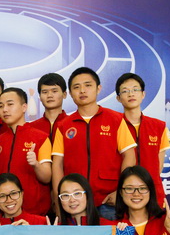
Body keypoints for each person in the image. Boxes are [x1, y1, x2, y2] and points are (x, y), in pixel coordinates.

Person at [51, 67, 137, 220]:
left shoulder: (116, 119)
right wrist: (59, 199)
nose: (82, 90)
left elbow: (129, 156)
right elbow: (57, 165)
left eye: (88, 85)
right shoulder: (63, 126)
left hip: (108, 200)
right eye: (76, 87)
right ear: (70, 94)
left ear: (98, 88)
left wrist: (121, 190)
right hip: (74, 202)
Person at [115, 73, 170, 206]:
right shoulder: (113, 126)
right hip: (123, 194)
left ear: (143, 94)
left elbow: (158, 167)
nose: (131, 94)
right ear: (118, 98)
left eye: (135, 89)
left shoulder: (159, 127)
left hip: (152, 193)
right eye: (125, 91)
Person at [0, 87, 52, 216]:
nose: (4, 110)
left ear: (24, 107)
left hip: (34, 213)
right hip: (2, 213)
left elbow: (47, 177)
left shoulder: (41, 138)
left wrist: (36, 164)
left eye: (10, 104)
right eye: (1, 106)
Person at [28, 73, 69, 142]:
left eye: (54, 91)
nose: (49, 95)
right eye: (45, 92)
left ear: (64, 94)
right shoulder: (31, 128)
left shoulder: (73, 124)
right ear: (40, 97)